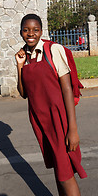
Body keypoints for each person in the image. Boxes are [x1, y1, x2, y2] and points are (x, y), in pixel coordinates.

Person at [15, 14, 87, 196]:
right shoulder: (25, 55)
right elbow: (24, 94)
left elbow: (67, 90)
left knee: (65, 175)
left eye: (35, 30)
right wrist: (19, 66)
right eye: (26, 30)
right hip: (41, 122)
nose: (31, 33)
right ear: (21, 31)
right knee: (58, 170)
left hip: (59, 121)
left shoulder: (53, 50)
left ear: (41, 31)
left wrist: (72, 129)